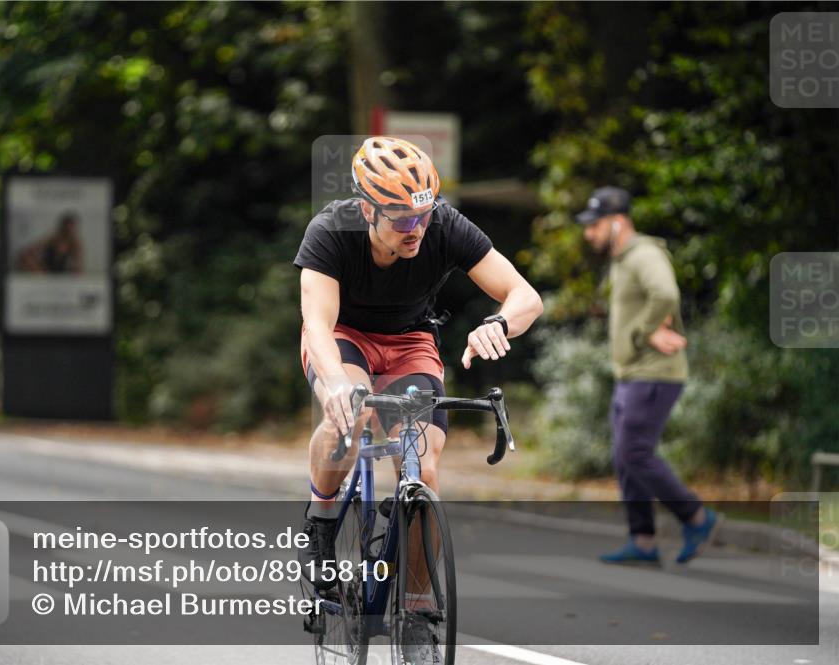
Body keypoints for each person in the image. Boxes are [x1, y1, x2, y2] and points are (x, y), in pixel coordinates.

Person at [294, 136, 542, 656]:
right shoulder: (331, 230)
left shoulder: (442, 224)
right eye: (402, 220)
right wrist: (337, 381)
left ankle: (417, 610)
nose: (417, 230)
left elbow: (525, 296)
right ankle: (319, 526)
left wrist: (497, 323)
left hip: (410, 341)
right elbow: (317, 323)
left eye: (423, 217)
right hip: (345, 336)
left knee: (423, 468)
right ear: (367, 209)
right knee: (351, 415)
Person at [576, 186, 720, 565]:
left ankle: (696, 516)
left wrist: (643, 331)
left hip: (655, 373)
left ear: (617, 222)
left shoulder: (644, 254)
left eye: (595, 224)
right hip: (632, 374)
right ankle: (643, 541)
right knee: (624, 458)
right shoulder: (622, 259)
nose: (589, 233)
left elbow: (666, 294)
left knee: (635, 452)